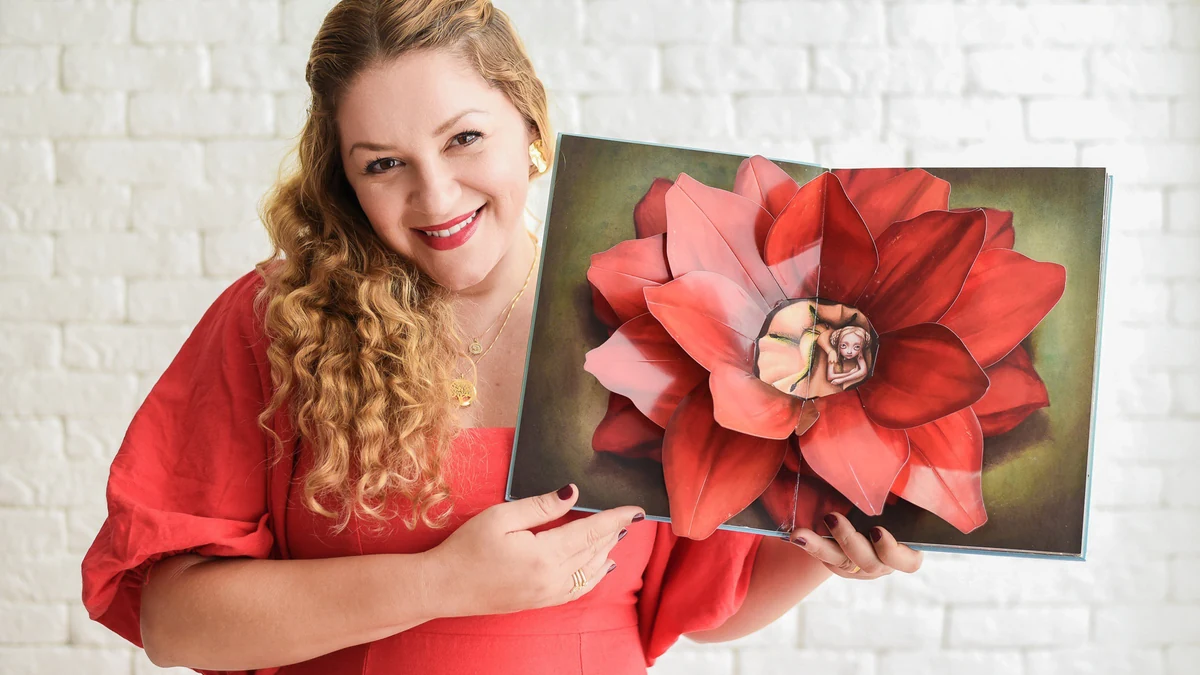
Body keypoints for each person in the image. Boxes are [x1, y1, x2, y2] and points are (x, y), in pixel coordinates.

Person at [79, 2, 922, 673]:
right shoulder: (278, 322)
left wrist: (832, 553)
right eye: (383, 163)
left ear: (530, 124)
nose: (436, 196)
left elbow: (708, 604)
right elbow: (172, 620)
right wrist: (439, 582)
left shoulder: (659, 315)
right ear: (346, 179)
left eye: (464, 138)